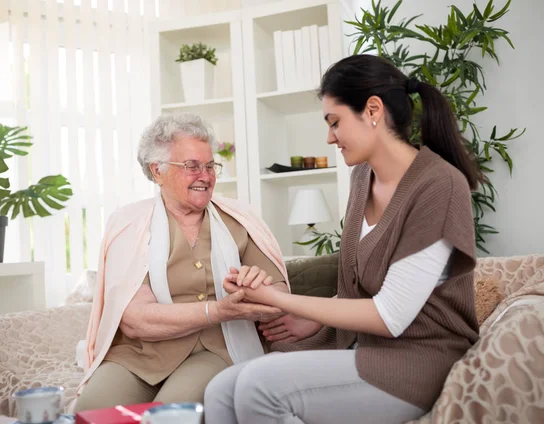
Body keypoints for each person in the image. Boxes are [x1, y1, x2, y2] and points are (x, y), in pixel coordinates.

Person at [204, 54, 481, 424]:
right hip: (364, 348)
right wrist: (315, 322)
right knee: (219, 391)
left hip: (420, 361)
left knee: (258, 386)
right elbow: (365, 288)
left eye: (335, 122)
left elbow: (391, 314)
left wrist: (276, 298)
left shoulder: (439, 186)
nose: (330, 137)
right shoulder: (362, 176)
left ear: (372, 111)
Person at [72, 113, 289, 411]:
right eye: (192, 166)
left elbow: (280, 296)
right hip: (140, 354)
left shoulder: (239, 220)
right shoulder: (129, 225)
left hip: (216, 348)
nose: (205, 175)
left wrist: (257, 286)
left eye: (210, 165)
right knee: (91, 411)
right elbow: (136, 319)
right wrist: (217, 310)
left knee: (171, 413)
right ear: (157, 171)